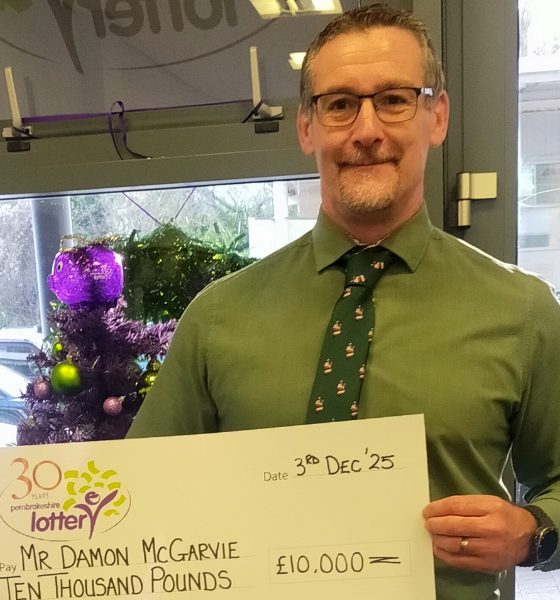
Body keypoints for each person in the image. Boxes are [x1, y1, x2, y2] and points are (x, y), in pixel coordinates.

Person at [127, 5, 560, 599]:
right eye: (339, 104)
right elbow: (142, 496)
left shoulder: (523, 310)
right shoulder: (217, 318)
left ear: (437, 116)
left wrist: (534, 532)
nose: (367, 130)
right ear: (307, 128)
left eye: (394, 100)